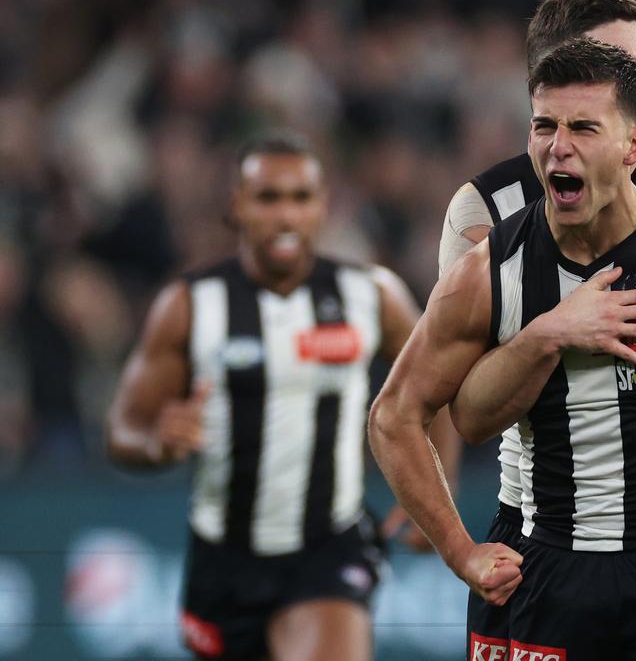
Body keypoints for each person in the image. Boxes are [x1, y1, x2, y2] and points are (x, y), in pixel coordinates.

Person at [370, 39, 636, 659]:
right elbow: (395, 416)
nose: (557, 146)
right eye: (543, 126)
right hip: (542, 571)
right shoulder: (491, 268)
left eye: (582, 128)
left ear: (634, 145)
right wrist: (458, 549)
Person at [106, 131, 426, 661]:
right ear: (237, 206)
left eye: (301, 198)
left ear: (322, 206)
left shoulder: (371, 296)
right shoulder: (190, 305)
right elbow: (123, 429)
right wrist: (156, 444)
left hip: (328, 547)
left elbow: (432, 390)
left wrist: (431, 489)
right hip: (223, 560)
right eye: (268, 198)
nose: (286, 216)